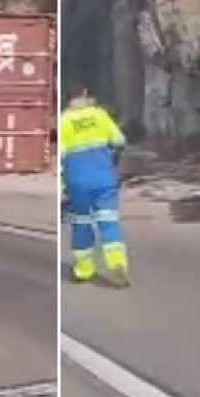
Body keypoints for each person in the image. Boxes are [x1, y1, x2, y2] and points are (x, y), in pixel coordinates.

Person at [59, 87, 130, 287]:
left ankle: (84, 270)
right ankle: (117, 263)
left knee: (81, 224)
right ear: (85, 94)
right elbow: (119, 142)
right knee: (109, 222)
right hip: (103, 179)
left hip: (77, 183)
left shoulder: (63, 122)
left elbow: (61, 159)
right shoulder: (100, 115)